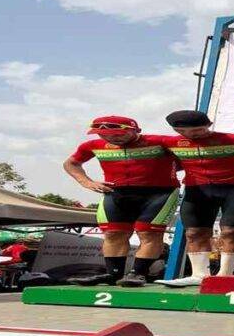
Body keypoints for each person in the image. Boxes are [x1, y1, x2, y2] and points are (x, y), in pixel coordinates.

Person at [63, 115, 180, 287]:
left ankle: (138, 273)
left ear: (135, 130)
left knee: (148, 233)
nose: (111, 138)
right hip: (115, 193)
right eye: (103, 135)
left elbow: (194, 151)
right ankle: (112, 274)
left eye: (118, 134)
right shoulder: (92, 146)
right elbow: (71, 163)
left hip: (159, 193)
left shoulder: (160, 141)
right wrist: (87, 182)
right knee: (113, 233)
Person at [155, 110, 234, 287]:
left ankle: (225, 275)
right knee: (194, 232)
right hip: (197, 190)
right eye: (182, 131)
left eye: (197, 130)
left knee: (230, 231)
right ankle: (199, 275)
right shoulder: (170, 143)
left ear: (209, 125)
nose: (190, 135)